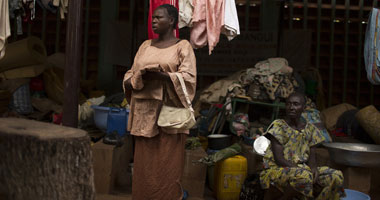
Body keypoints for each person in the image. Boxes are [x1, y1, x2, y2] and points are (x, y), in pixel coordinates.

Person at [122, 4, 196, 200]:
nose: (154, 21)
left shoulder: (183, 46)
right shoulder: (145, 46)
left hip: (169, 118)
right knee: (144, 168)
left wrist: (164, 76)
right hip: (144, 116)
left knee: (167, 166)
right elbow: (129, 74)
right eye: (153, 18)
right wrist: (139, 78)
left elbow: (189, 78)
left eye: (159, 18)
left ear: (171, 21)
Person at [260, 92, 345, 200]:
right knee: (304, 176)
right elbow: (279, 159)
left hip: (302, 169)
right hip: (278, 169)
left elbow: (312, 158)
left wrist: (313, 169)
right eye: (289, 104)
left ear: (304, 108)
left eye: (296, 104)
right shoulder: (278, 126)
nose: (291, 107)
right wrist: (303, 170)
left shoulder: (310, 129)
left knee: (336, 176)